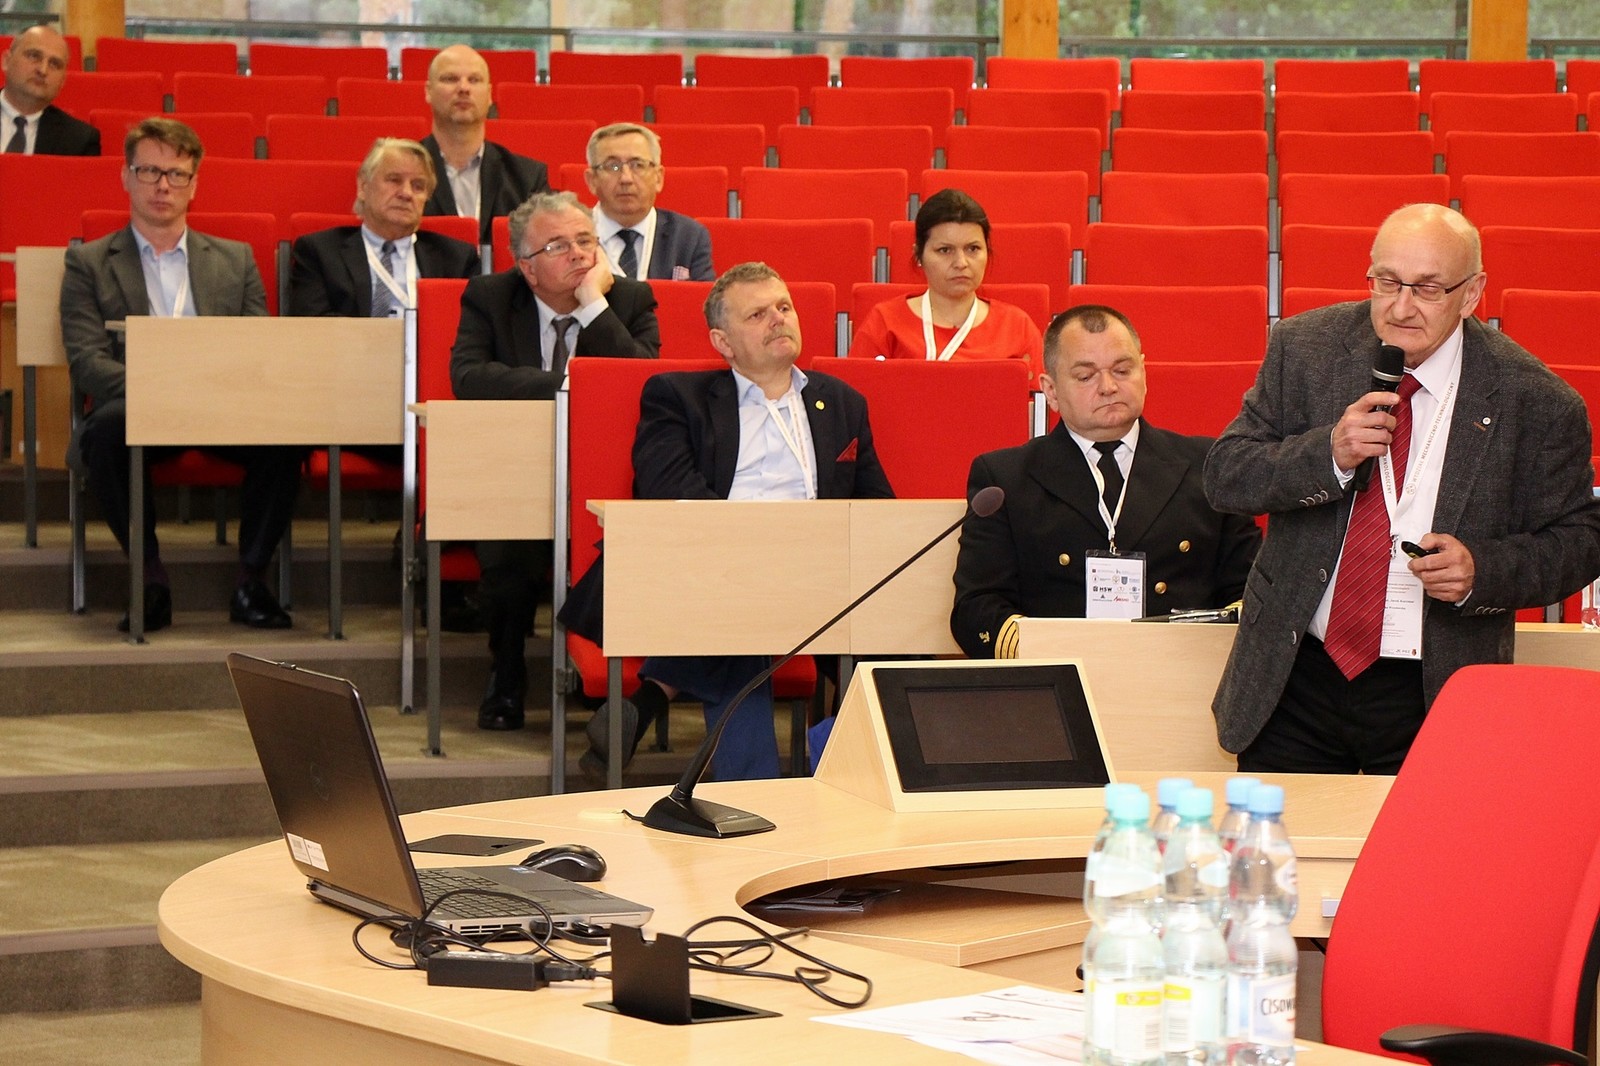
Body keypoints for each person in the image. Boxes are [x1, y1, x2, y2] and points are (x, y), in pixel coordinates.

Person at [1205, 203, 1600, 774]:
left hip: (1435, 685)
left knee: (1423, 836)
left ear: (1471, 294)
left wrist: (1483, 570)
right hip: (1297, 673)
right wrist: (1327, 454)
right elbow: (1226, 475)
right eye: (1387, 282)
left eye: (1428, 289)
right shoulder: (1306, 349)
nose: (1401, 307)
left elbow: (1581, 540)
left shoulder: (1536, 400)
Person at [581, 261, 895, 783]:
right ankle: (769, 778)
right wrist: (757, 551)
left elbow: (878, 505)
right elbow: (667, 491)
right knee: (744, 609)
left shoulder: (841, 402)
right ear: (722, 342)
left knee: (897, 629)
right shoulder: (677, 396)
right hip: (706, 568)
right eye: (757, 314)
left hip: (823, 579)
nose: (778, 319)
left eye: (784, 307)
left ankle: (656, 695)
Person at [62, 117, 302, 632]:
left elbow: (256, 350)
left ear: (195, 184)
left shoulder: (235, 259)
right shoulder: (88, 262)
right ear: (126, 177)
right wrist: (165, 392)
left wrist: (208, 391)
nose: (163, 186)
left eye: (177, 174)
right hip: (135, 405)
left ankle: (251, 581)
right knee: (105, 432)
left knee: (287, 430)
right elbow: (87, 360)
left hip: (222, 404)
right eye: (149, 171)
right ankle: (148, 579)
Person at [450, 190, 659, 730]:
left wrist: (593, 308)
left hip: (609, 479)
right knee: (507, 552)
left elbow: (643, 384)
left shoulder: (629, 300)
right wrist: (573, 384)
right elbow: (469, 377)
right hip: (516, 471)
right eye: (559, 246)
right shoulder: (491, 297)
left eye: (586, 240)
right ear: (527, 267)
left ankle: (601, 677)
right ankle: (507, 673)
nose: (579, 254)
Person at [951, 304, 1260, 658]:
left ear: (1144, 372)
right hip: (1060, 673)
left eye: (1123, 370)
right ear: (1051, 391)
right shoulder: (1006, 478)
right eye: (1086, 377)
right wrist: (1052, 656)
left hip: (1183, 669)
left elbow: (1252, 594)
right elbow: (977, 607)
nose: (1109, 387)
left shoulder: (1209, 466)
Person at [847, 188, 1043, 377]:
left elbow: (1040, 397)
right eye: (945, 250)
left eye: (973, 249)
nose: (961, 263)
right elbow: (857, 394)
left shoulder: (1017, 327)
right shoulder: (885, 322)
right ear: (919, 255)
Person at [288, 137, 480, 323]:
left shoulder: (457, 259)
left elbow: (470, 328)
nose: (406, 193)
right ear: (363, 187)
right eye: (394, 180)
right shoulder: (320, 253)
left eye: (418, 186)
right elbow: (312, 326)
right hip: (347, 345)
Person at [421, 44, 551, 245]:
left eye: (474, 80)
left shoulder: (527, 178)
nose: (463, 88)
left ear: (489, 94)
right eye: (450, 79)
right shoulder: (402, 174)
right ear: (428, 91)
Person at [584, 122, 714, 283]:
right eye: (613, 167)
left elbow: (703, 297)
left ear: (658, 178)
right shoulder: (569, 237)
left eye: (637, 165)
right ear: (592, 180)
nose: (626, 178)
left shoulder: (688, 236)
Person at [1, 23, 98, 155]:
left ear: (62, 81)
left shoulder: (79, 140)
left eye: (54, 64)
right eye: (34, 56)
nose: (43, 70)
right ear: (6, 61)